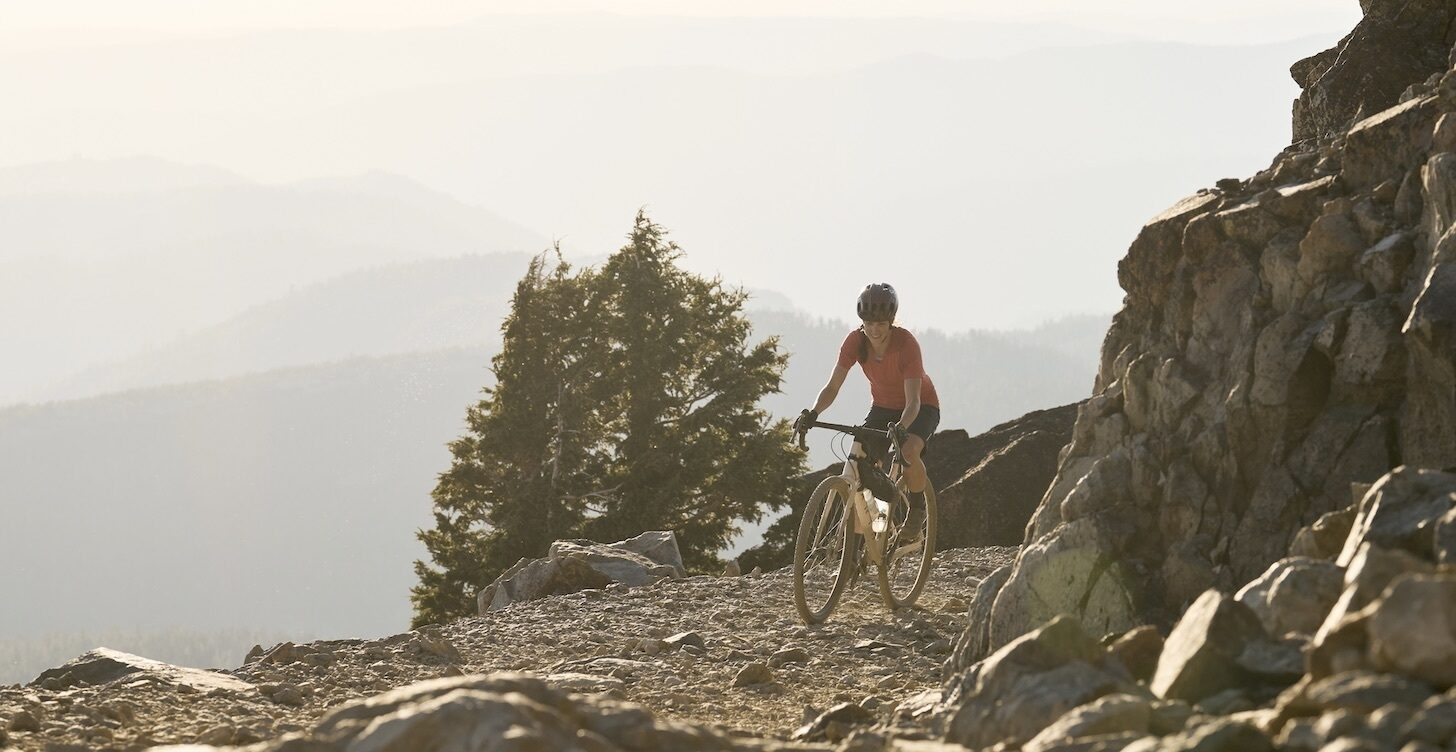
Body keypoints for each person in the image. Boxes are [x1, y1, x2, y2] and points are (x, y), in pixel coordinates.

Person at [793, 283, 941, 540]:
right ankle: (875, 529)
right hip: (883, 407)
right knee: (864, 465)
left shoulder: (906, 345)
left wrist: (902, 428)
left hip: (920, 407)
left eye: (881, 324)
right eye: (869, 323)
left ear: (891, 321)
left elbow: (914, 401)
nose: (874, 330)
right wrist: (813, 413)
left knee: (907, 452)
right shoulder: (855, 342)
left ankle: (916, 510)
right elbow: (832, 386)